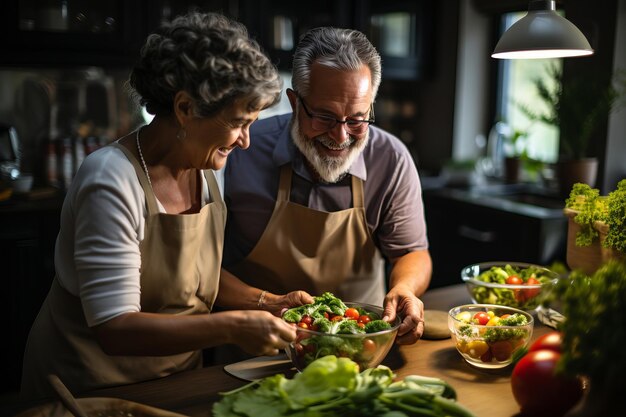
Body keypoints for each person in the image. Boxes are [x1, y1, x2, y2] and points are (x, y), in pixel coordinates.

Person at [21, 11, 312, 400]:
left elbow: (189, 273)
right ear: (186, 108)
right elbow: (114, 327)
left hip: (174, 382)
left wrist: (267, 302)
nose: (245, 140)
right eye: (239, 122)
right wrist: (232, 327)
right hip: (88, 391)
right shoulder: (111, 179)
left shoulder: (205, 165)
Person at [223, 27, 432, 346]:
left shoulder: (390, 159)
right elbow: (201, 270)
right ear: (295, 103)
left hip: (360, 349)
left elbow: (412, 252)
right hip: (253, 350)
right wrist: (266, 302)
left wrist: (404, 288)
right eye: (324, 117)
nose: (340, 137)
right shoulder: (240, 152)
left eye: (357, 119)